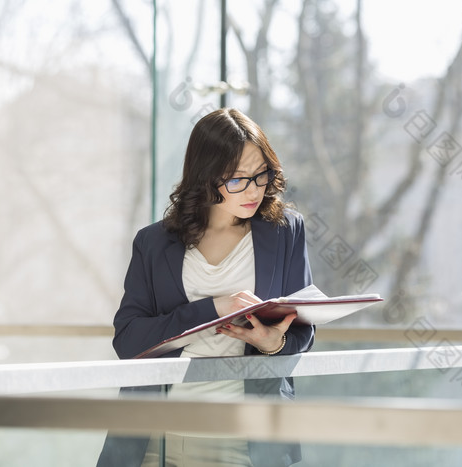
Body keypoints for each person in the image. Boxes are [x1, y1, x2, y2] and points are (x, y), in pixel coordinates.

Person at [97, 108, 315, 467]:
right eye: (237, 180)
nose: (253, 191)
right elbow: (129, 340)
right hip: (156, 434)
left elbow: (303, 327)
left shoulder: (285, 231)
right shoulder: (154, 243)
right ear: (206, 177)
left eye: (261, 175)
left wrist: (273, 343)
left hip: (247, 438)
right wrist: (213, 309)